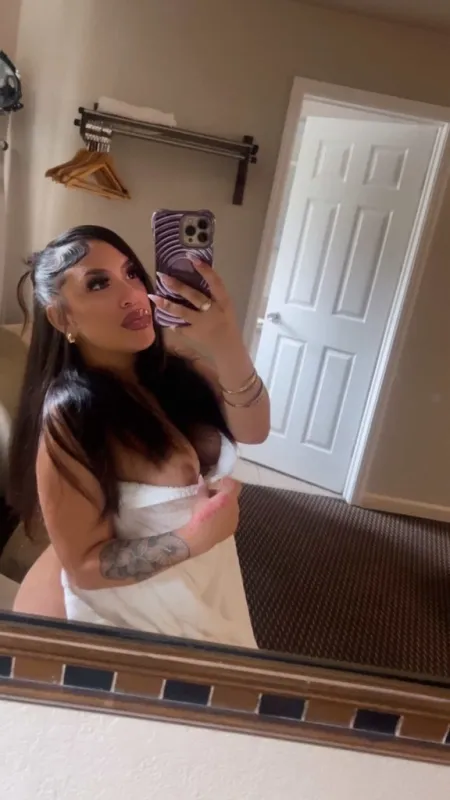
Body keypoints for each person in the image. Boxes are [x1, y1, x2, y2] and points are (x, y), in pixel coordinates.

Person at [8, 226, 270, 648]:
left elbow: (253, 430)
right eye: (98, 283)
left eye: (131, 273)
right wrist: (196, 537)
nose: (133, 294)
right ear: (63, 317)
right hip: (136, 615)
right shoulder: (73, 416)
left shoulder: (176, 371)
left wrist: (225, 340)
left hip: (204, 584)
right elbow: (84, 565)